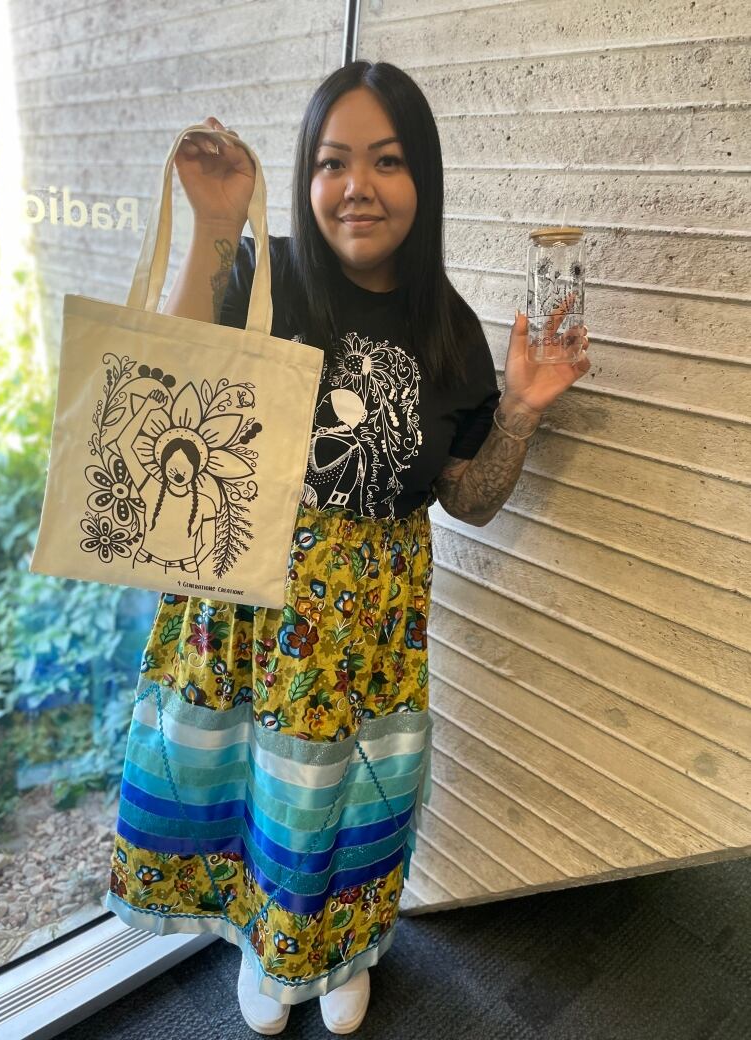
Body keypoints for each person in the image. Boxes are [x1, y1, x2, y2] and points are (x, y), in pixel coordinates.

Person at [104, 60, 590, 1035]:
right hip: (249, 596)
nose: (358, 183)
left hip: (373, 617)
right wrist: (212, 224)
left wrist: (526, 412)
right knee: (251, 773)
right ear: (307, 174)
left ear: (425, 181)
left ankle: (341, 944)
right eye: (333, 160)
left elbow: (472, 499)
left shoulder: (449, 328)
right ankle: (261, 941)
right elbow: (160, 377)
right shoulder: (268, 275)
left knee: (350, 786)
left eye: (388, 158)